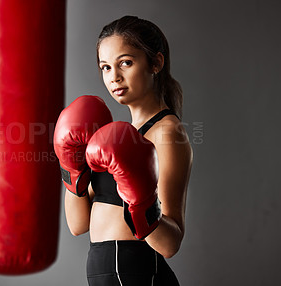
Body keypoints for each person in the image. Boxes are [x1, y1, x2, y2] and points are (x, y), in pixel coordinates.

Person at [54, 15, 193, 286]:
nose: (114, 77)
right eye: (105, 67)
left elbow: (170, 243)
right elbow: (78, 225)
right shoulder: (116, 138)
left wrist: (141, 205)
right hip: (104, 272)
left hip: (140, 274)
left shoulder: (167, 132)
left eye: (125, 63)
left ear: (155, 63)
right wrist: (72, 167)